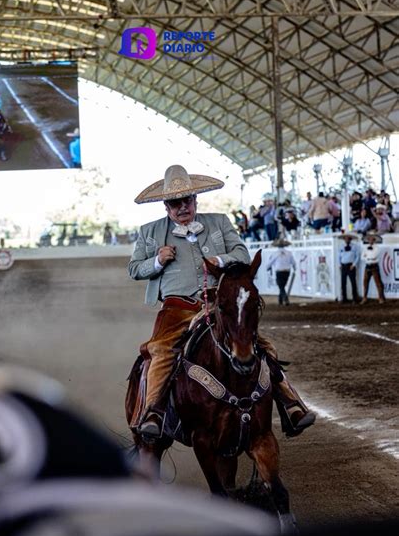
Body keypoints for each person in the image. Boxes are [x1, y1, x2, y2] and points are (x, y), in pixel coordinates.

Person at [128, 164, 316, 439]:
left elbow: (241, 251)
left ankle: (291, 404)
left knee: (261, 345)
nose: (183, 207)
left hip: (219, 305)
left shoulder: (219, 221)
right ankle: (154, 410)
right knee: (163, 349)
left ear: (195, 200)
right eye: (176, 203)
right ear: (166, 206)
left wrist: (222, 260)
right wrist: (157, 260)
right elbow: (134, 269)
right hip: (176, 308)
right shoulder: (150, 232)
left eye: (187, 200)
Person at [266, 239, 296, 306]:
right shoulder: (289, 253)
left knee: (281, 286)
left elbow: (270, 263)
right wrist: (294, 268)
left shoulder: (275, 253)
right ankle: (280, 300)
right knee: (282, 286)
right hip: (287, 272)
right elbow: (293, 263)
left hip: (279, 272)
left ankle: (285, 299)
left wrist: (267, 267)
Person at [361, 232, 386, 304]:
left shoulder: (377, 248)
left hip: (374, 266)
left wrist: (367, 257)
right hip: (368, 265)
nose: (370, 241)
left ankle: (381, 298)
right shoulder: (365, 248)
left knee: (378, 283)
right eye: (369, 239)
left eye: (372, 239)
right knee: (365, 283)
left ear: (374, 240)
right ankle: (365, 298)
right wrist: (368, 259)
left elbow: (374, 255)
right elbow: (362, 257)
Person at [338, 233, 361, 304]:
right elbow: (339, 256)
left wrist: (353, 265)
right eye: (345, 238)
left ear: (350, 239)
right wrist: (340, 265)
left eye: (348, 238)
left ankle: (354, 298)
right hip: (343, 265)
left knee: (353, 282)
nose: (347, 239)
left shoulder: (355, 246)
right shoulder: (341, 246)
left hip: (350, 265)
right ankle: (344, 298)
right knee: (343, 283)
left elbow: (357, 256)